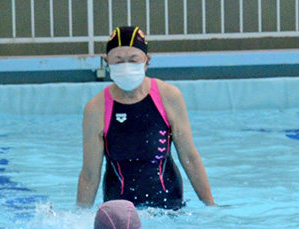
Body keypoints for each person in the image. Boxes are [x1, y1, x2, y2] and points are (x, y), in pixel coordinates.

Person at [76, 26, 216, 211]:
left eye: (133, 60)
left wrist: (210, 205)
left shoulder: (168, 96)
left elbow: (190, 157)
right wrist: (79, 216)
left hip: (170, 206)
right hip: (120, 214)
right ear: (106, 62)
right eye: (118, 60)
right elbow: (89, 173)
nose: (126, 66)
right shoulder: (96, 108)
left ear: (147, 61)